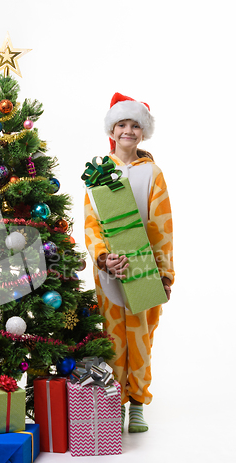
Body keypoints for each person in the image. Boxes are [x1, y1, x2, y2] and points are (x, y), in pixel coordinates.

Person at [84, 93, 174, 432]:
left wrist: (164, 274)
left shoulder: (152, 172)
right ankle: (114, 401)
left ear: (143, 131)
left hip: (145, 270)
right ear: (113, 128)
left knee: (140, 337)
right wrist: (104, 258)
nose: (128, 130)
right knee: (112, 337)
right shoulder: (97, 174)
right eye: (122, 124)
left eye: (135, 125)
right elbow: (91, 222)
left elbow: (161, 224)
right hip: (110, 272)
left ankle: (137, 402)